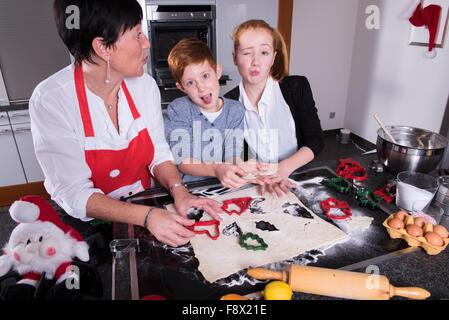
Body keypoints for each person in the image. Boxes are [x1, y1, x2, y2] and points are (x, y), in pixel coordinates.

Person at [29, 0, 223, 248]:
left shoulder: (144, 86)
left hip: (147, 204)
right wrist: (148, 217)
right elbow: (74, 193)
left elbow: (158, 153)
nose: (147, 43)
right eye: (137, 35)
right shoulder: (51, 100)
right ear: (103, 47)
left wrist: (179, 191)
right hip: (91, 226)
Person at [224, 19, 325, 197]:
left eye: (264, 52)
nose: (256, 62)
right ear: (234, 57)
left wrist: (283, 168)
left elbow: (316, 141)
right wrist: (256, 172)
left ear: (273, 58)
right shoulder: (227, 105)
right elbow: (238, 153)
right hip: (258, 184)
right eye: (247, 53)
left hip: (298, 176)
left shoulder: (297, 87)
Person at [164, 38, 261, 190]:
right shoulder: (179, 109)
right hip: (193, 188)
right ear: (181, 87)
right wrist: (216, 169)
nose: (201, 88)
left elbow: (234, 151)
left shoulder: (235, 110)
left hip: (227, 186)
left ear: (217, 71)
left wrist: (242, 165)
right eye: (190, 83)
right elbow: (183, 161)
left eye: (205, 76)